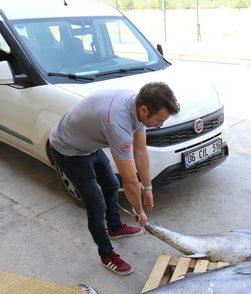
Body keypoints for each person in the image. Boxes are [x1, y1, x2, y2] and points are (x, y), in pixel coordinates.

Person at [49, 82, 180, 275]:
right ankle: (106, 255)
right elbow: (130, 182)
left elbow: (141, 150)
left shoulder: (138, 106)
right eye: (159, 121)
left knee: (111, 184)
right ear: (144, 110)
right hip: (68, 150)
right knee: (96, 203)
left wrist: (148, 187)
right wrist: (139, 210)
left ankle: (115, 227)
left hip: (87, 144)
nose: (160, 125)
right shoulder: (117, 122)